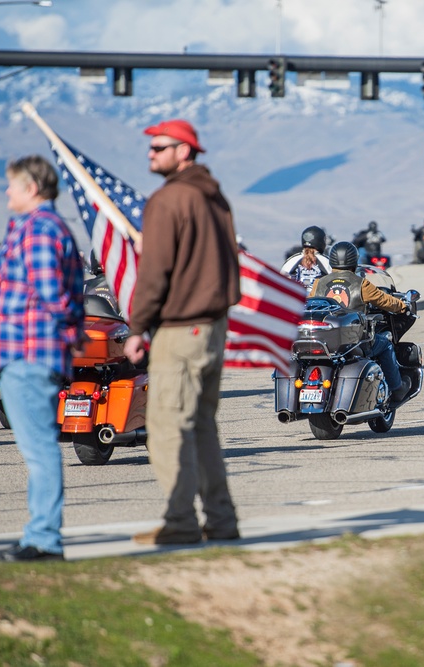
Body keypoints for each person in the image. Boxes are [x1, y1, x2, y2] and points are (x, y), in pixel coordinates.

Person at [123, 119, 241, 546]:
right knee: (202, 426)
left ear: (184, 151)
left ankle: (180, 522)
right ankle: (221, 520)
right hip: (212, 326)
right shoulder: (214, 197)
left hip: (180, 329)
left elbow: (155, 273)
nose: (151, 154)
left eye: (159, 147)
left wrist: (138, 327)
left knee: (169, 425)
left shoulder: (169, 200)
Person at [0, 156, 85, 562]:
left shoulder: (39, 230)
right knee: (37, 449)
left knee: (39, 450)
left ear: (32, 188)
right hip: (24, 353)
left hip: (29, 354)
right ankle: (40, 535)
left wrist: (64, 336)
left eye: (12, 185)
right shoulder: (35, 227)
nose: (6, 192)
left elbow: (54, 296)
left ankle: (44, 539)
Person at [309, 241, 412, 404]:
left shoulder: (319, 283)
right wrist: (402, 306)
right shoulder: (361, 283)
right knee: (385, 344)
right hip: (354, 341)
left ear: (331, 261)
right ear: (354, 261)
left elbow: (311, 304)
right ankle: (396, 388)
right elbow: (385, 300)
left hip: (326, 340)